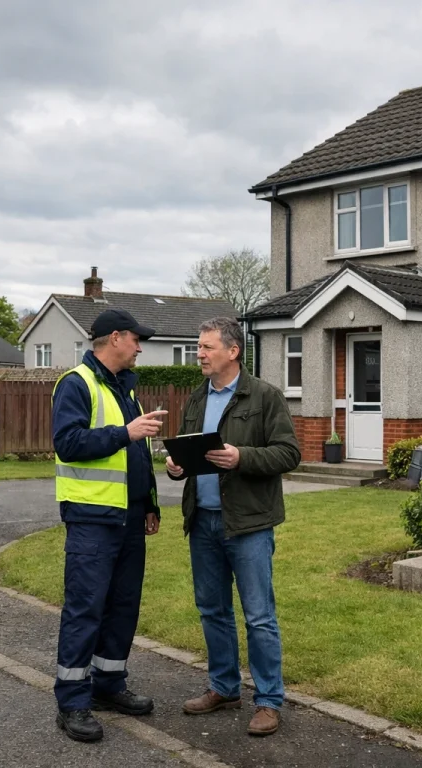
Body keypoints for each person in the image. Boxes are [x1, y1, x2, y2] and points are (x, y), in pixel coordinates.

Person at [166, 316, 301, 737]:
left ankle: (269, 701)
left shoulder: (264, 396)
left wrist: (242, 457)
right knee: (212, 610)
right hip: (202, 521)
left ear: (233, 350)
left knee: (259, 616)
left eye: (206, 347)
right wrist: (175, 467)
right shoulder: (196, 398)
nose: (199, 354)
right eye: (199, 347)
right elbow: (187, 450)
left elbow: (289, 453)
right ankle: (224, 687)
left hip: (248, 524)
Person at [51, 308, 167, 743]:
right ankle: (72, 702)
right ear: (115, 338)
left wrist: (149, 502)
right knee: (85, 608)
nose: (140, 348)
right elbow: (68, 443)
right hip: (92, 519)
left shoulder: (124, 387)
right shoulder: (76, 383)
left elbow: (137, 455)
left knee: (123, 606)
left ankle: (108, 685)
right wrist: (124, 432)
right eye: (136, 339)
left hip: (129, 516)